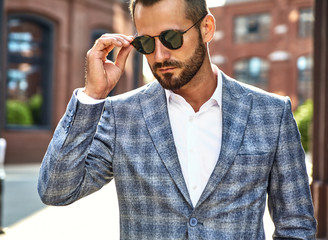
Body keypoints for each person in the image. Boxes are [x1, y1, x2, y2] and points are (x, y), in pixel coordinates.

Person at [38, 0, 317, 239]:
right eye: (147, 43)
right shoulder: (121, 114)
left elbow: (296, 225)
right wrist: (92, 96)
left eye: (171, 37)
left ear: (206, 28)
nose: (160, 56)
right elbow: (56, 190)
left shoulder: (270, 113)